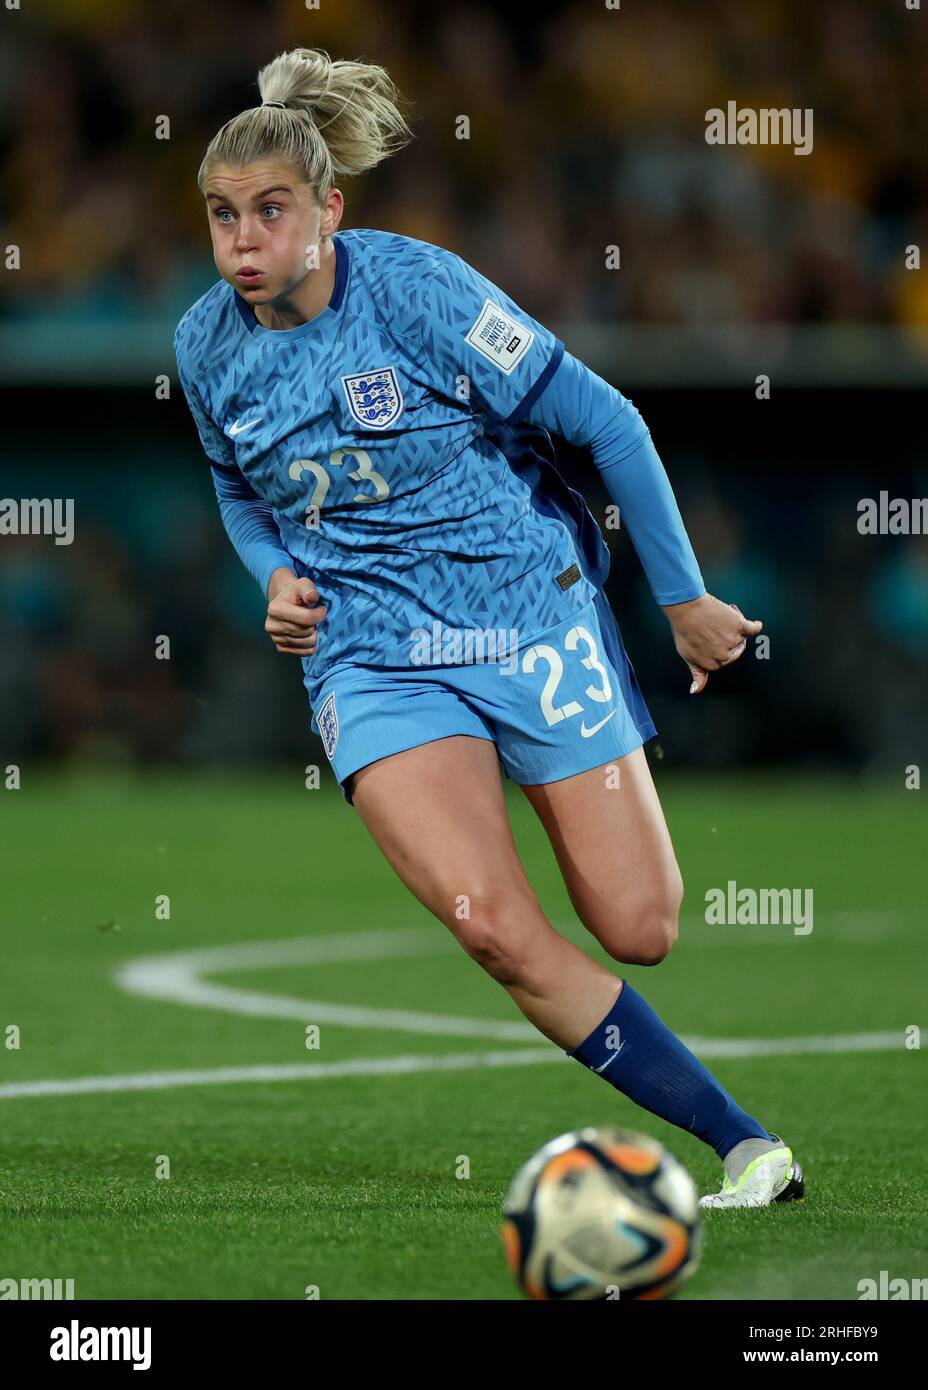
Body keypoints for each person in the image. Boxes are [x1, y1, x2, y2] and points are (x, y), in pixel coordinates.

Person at [174, 46, 804, 1209]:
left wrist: (684, 600)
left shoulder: (420, 294)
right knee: (497, 932)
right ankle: (743, 1144)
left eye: (270, 211)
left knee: (641, 925)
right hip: (370, 659)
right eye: (222, 217)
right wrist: (271, 573)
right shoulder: (205, 346)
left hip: (525, 619)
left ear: (329, 210)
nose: (244, 241)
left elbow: (605, 422)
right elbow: (238, 486)